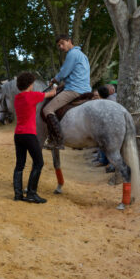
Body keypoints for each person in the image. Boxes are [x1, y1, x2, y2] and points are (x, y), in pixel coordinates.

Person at [13, 72, 56, 203]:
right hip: (29, 134)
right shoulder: (33, 96)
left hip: (18, 134)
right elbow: (52, 94)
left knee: (20, 164)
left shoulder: (17, 98)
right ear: (30, 84)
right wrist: (54, 86)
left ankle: (18, 194)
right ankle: (31, 193)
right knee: (39, 162)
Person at [43, 35, 91, 149]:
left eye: (62, 43)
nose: (60, 46)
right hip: (84, 88)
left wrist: (54, 80)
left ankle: (57, 140)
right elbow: (73, 75)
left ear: (69, 41)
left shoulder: (72, 54)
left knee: (47, 109)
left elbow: (63, 73)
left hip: (74, 89)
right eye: (58, 45)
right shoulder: (82, 55)